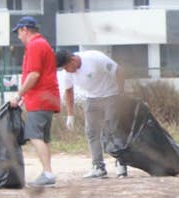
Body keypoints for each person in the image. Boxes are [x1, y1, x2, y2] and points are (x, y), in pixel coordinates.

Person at [55, 49, 128, 179]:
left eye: (66, 67)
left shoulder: (95, 59)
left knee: (113, 129)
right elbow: (69, 91)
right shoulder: (67, 73)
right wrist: (70, 115)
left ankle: (120, 162)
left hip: (111, 94)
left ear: (73, 60)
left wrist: (121, 94)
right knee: (92, 132)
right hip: (92, 98)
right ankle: (98, 166)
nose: (66, 71)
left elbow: (118, 71)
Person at [9, 16, 60, 187]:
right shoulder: (43, 44)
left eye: (19, 32)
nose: (18, 37)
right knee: (43, 138)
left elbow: (33, 74)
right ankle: (48, 172)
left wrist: (19, 95)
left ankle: (48, 173)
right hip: (47, 98)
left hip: (40, 99)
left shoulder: (35, 46)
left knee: (34, 135)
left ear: (25, 29)